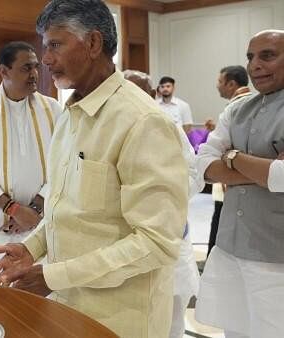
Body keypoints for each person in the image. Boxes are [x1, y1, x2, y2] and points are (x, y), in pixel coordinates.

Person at [0, 2, 188, 337]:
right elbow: (67, 209)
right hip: (68, 305)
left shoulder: (141, 121)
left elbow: (156, 242)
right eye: (44, 46)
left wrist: (52, 276)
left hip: (120, 317)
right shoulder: (70, 113)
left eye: (55, 45)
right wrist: (33, 247)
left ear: (93, 44)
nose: (45, 59)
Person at [195, 29, 284, 338]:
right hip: (230, 249)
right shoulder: (236, 108)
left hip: (276, 258)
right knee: (234, 332)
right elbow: (203, 165)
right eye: (250, 57)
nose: (255, 65)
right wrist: (261, 168)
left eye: (268, 56)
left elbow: (282, 176)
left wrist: (230, 158)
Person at [0, 41, 61, 281]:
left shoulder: (53, 109)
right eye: (26, 68)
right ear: (3, 71)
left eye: (36, 67)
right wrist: (13, 209)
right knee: (1, 293)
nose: (35, 74)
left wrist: (35, 208)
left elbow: (63, 164)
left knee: (40, 296)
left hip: (42, 222)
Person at [124, 69, 205, 338]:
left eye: (147, 92)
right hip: (123, 242)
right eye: (132, 90)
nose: (141, 97)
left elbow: (194, 175)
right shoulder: (107, 127)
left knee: (171, 317)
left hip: (169, 236)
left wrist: (162, 203)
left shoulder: (169, 126)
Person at [207, 65, 252, 257]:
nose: (217, 86)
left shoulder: (238, 105)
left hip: (235, 180)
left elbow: (233, 148)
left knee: (222, 222)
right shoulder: (244, 103)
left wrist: (227, 156)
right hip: (238, 176)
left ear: (231, 83)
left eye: (219, 82)